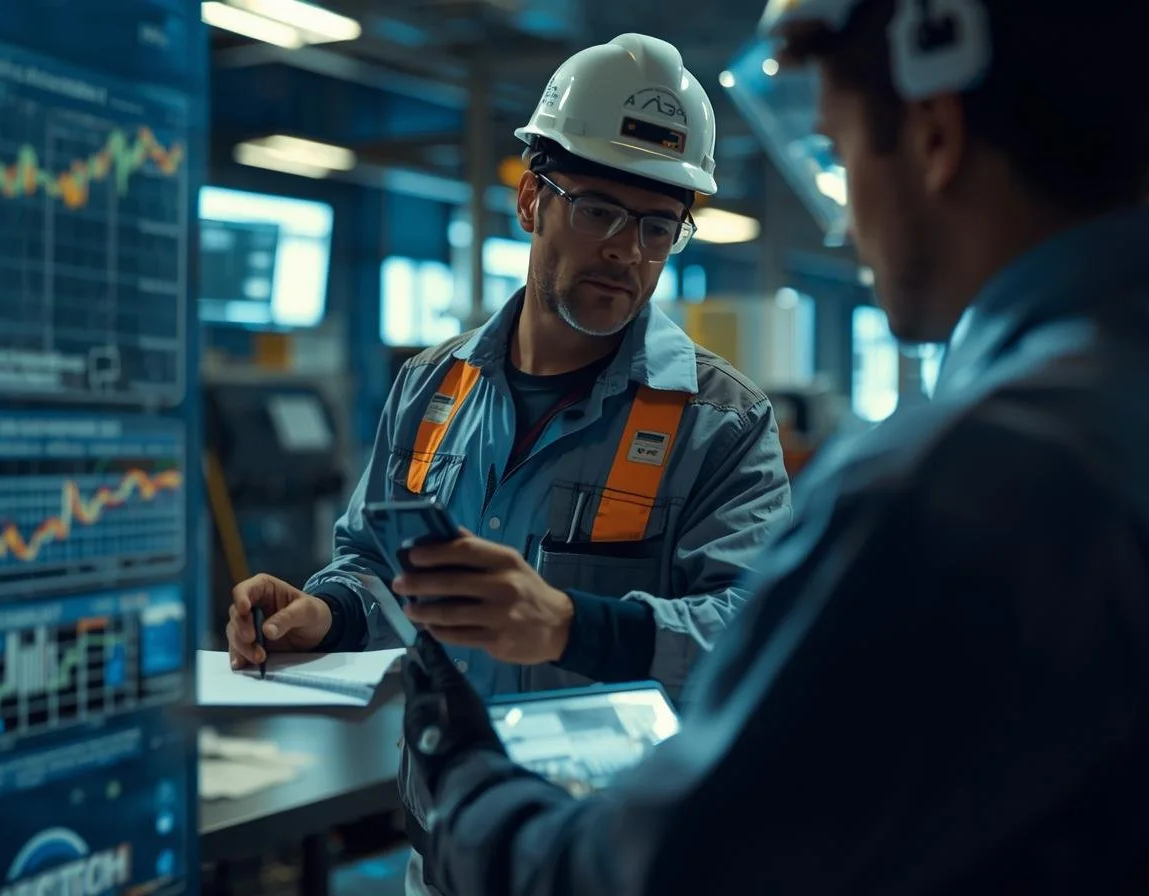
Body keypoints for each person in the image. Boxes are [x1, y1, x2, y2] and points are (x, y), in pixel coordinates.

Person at [398, 0, 1149, 894]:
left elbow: (674, 871)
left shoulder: (959, 484)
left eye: (839, 153)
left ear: (933, 134)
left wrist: (467, 788)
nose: (849, 224)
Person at [222, 33, 793, 895]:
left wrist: (575, 626)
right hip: (443, 853)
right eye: (600, 209)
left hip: (612, 866)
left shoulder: (722, 423)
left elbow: (758, 635)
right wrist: (326, 615)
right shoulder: (429, 387)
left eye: (657, 225)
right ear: (531, 200)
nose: (628, 252)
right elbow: (376, 567)